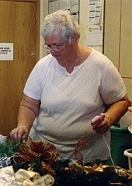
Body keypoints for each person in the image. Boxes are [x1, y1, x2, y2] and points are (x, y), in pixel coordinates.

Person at [10, 9, 130, 164]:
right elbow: (28, 104)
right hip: (43, 151)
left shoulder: (100, 66)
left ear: (73, 38)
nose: (52, 52)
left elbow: (121, 101)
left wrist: (108, 119)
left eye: (58, 45)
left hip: (87, 155)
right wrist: (23, 126)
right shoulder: (43, 66)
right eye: (49, 46)